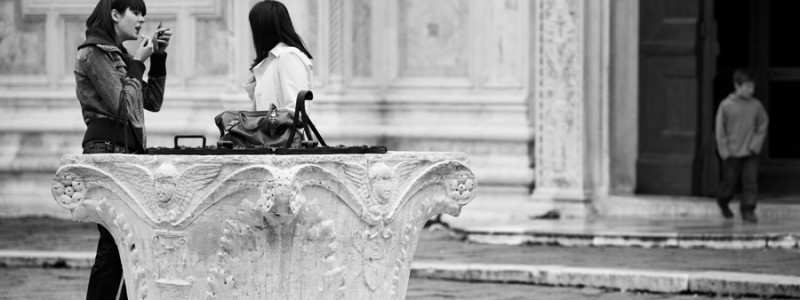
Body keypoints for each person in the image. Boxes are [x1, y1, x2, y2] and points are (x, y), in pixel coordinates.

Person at [74, 0, 172, 298]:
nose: (142, 19)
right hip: (107, 148)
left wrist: (158, 58)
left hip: (124, 149)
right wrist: (138, 62)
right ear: (115, 14)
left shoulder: (119, 56)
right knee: (115, 242)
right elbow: (124, 107)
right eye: (136, 12)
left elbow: (151, 102)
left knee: (129, 243)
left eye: (144, 13)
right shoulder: (93, 54)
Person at [715, 69, 769, 223]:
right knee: (729, 181)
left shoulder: (756, 106)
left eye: (752, 86)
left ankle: (748, 209)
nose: (750, 90)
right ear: (737, 85)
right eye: (747, 86)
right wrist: (724, 150)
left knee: (750, 181)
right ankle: (723, 201)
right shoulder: (726, 105)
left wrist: (755, 145)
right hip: (731, 152)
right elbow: (720, 129)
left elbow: (763, 123)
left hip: (750, 152)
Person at [245, 0, 314, 112]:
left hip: (280, 130)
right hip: (269, 129)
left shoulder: (289, 56)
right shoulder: (271, 60)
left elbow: (297, 111)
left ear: (262, 27)